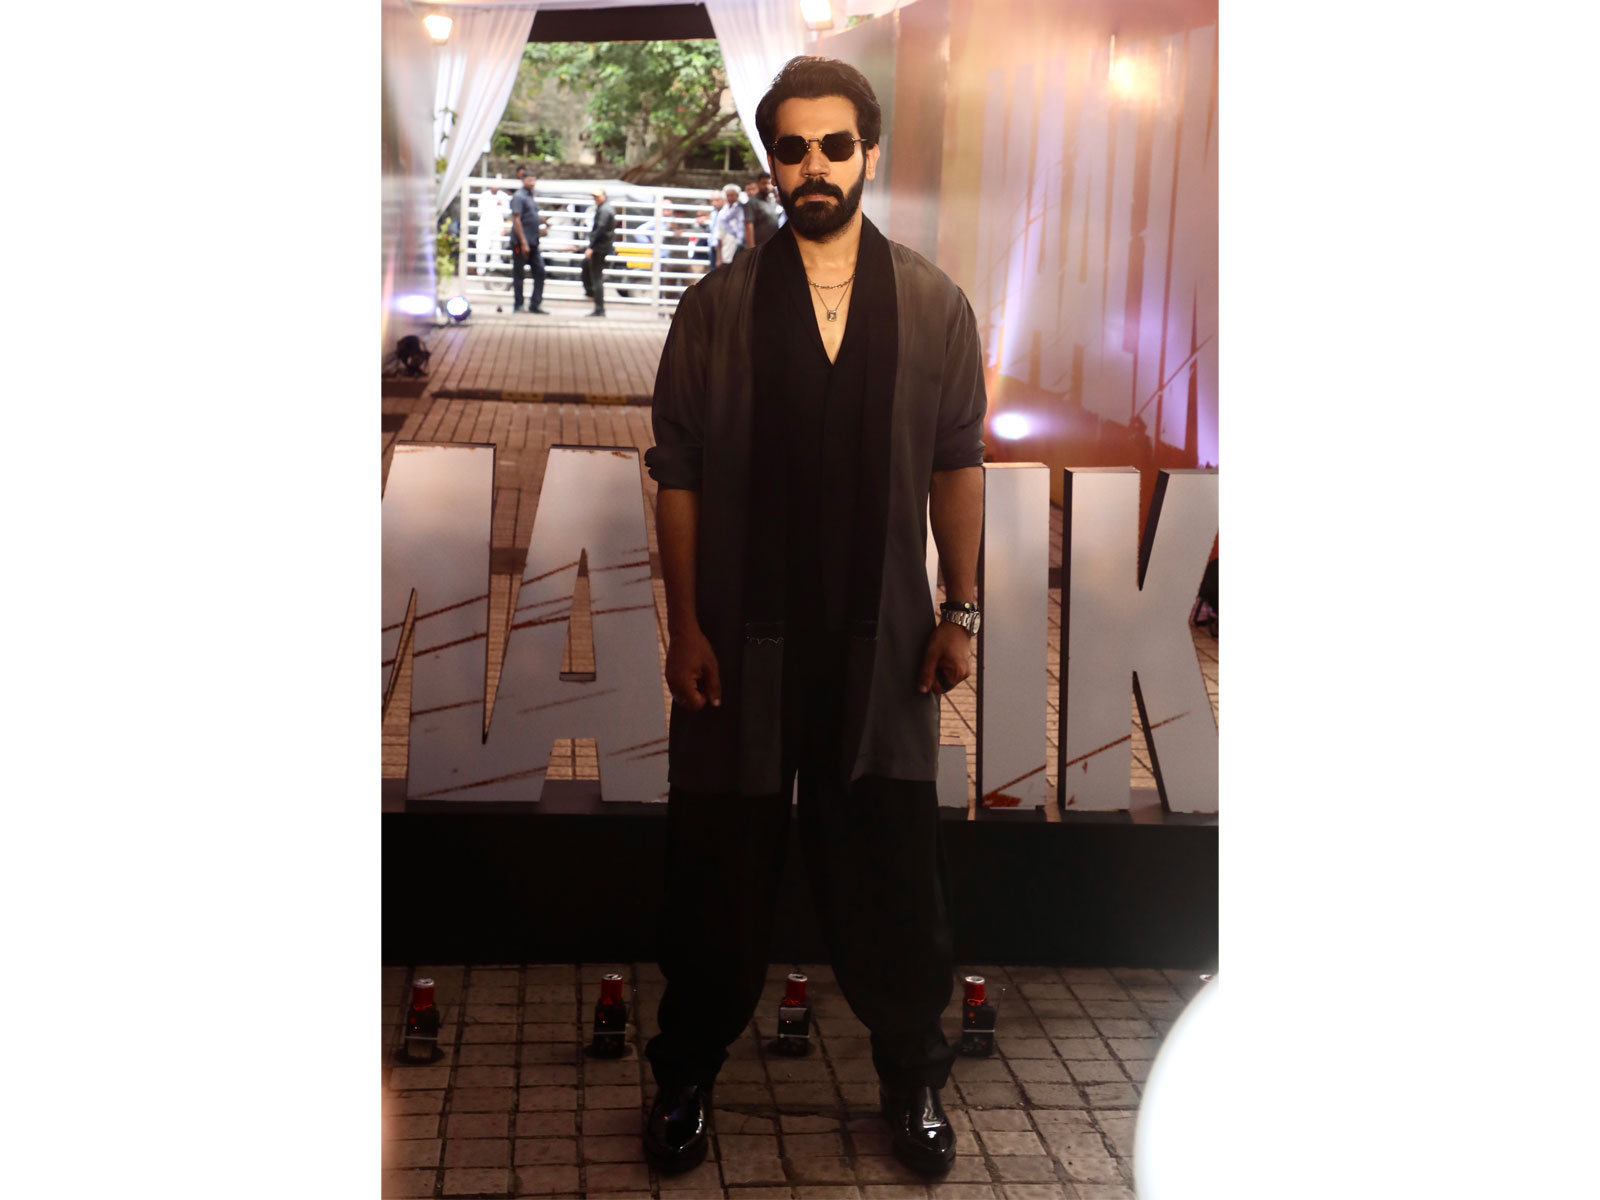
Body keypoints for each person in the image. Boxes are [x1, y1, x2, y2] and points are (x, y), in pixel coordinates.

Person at [641, 55, 987, 1181]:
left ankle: (912, 1079)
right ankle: (686, 1074)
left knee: (893, 877)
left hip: (880, 649)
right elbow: (679, 475)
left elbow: (957, 463)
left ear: (868, 153)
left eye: (835, 145)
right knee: (718, 875)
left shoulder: (932, 306)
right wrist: (685, 626)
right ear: (772, 162)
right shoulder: (716, 310)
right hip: (741, 649)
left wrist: (960, 610)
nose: (814, 166)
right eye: (792, 148)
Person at [509, 169, 547, 314]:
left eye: (534, 179)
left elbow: (531, 216)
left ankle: (535, 304)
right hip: (521, 243)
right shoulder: (519, 197)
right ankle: (518, 304)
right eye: (529, 179)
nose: (532, 182)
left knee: (540, 272)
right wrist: (523, 242)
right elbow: (517, 220)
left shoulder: (530, 196)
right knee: (519, 274)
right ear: (523, 180)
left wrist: (543, 222)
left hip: (533, 242)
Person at [584, 187, 616, 317]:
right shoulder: (606, 208)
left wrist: (591, 246)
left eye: (597, 196)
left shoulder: (604, 210)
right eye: (594, 196)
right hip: (602, 246)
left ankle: (599, 307)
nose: (595, 199)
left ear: (604, 196)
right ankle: (597, 304)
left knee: (596, 277)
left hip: (599, 247)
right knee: (592, 273)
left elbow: (600, 229)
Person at [712, 183, 745, 265]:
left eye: (732, 195)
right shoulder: (722, 213)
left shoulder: (743, 209)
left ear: (737, 196)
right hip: (727, 250)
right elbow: (719, 236)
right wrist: (719, 258)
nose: (730, 198)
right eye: (728, 195)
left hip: (742, 247)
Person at [744, 175, 781, 248]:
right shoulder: (752, 202)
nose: (766, 186)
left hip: (774, 245)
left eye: (769, 183)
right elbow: (748, 226)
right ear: (758, 184)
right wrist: (752, 249)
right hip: (760, 246)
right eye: (764, 183)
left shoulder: (772, 200)